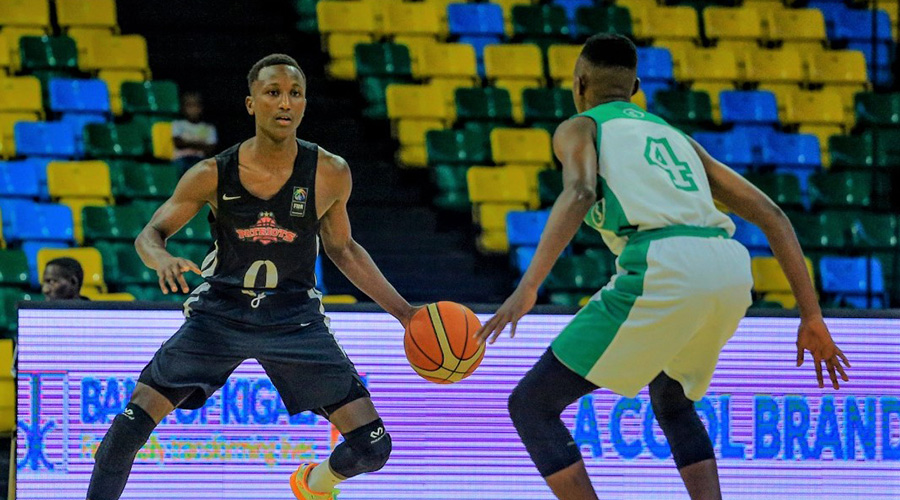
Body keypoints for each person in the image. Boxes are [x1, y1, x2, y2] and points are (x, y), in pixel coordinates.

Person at [474, 34, 851, 500]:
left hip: (664, 265)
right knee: (672, 400)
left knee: (531, 405)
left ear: (580, 83)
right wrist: (811, 316)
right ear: (634, 86)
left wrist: (528, 287)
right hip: (730, 269)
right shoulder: (678, 139)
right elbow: (773, 215)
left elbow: (580, 193)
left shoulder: (580, 127)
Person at [86, 54, 418, 500]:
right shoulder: (211, 173)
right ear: (250, 104)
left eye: (295, 93)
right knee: (122, 437)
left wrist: (405, 313)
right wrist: (160, 258)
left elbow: (343, 250)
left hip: (294, 319)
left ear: (304, 105)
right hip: (219, 316)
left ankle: (315, 482)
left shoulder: (330, 172)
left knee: (374, 447)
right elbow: (150, 234)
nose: (285, 102)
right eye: (273, 92)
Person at [172, 91, 218, 173]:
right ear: (183, 108)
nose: (193, 109)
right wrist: (201, 145)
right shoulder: (177, 124)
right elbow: (178, 143)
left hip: (200, 160)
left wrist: (187, 143)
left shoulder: (209, 128)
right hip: (181, 159)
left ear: (201, 108)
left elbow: (210, 148)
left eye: (196, 105)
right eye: (189, 105)